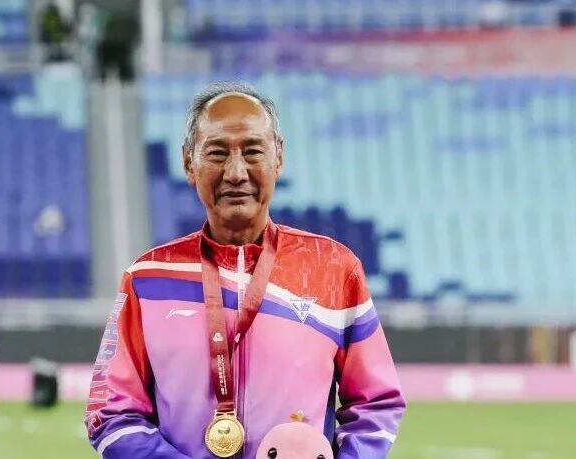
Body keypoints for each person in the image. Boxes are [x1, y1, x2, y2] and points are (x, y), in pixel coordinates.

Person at [84, 82, 405, 458]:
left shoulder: (333, 269)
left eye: (252, 151)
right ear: (188, 162)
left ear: (278, 157)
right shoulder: (148, 279)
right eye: (217, 153)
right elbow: (111, 413)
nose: (236, 172)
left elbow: (376, 404)